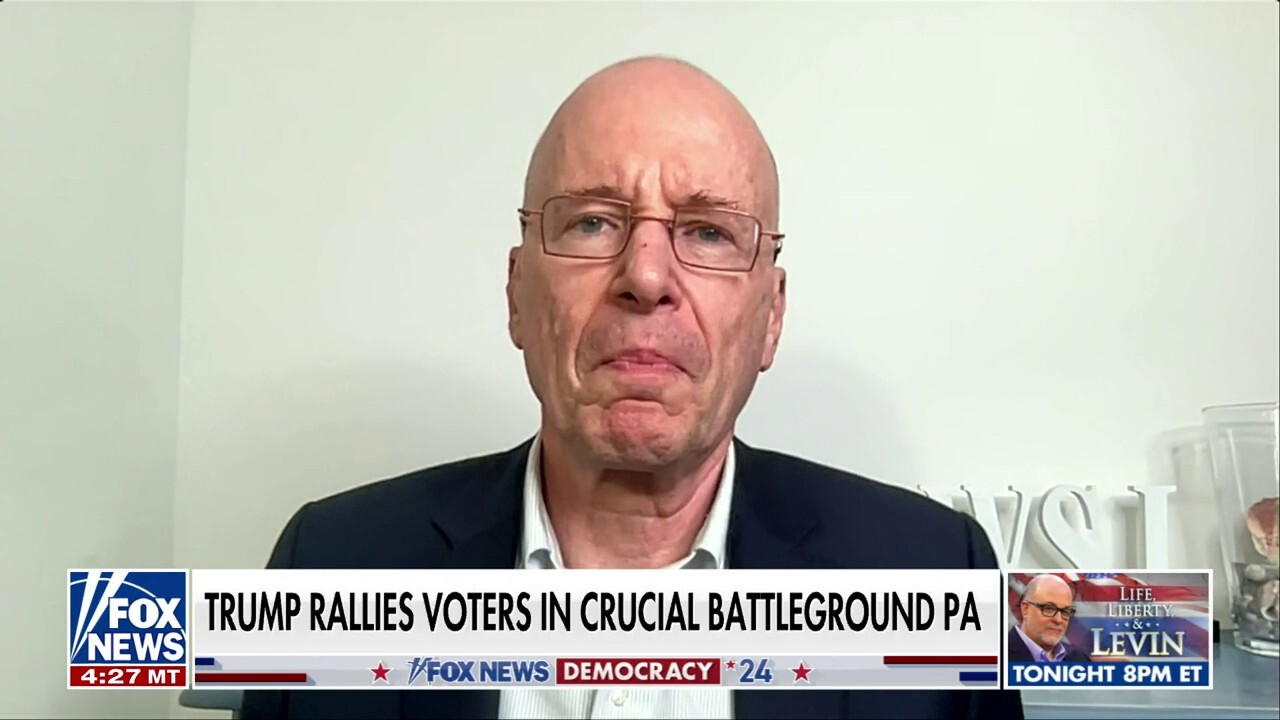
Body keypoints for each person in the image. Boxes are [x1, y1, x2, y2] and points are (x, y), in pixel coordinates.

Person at [240, 56, 1024, 720]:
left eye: (709, 232)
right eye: (592, 222)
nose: (646, 277)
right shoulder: (329, 568)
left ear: (772, 316)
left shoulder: (935, 576)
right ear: (517, 294)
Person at [1007, 574, 1092, 662]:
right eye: (1049, 609)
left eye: (1065, 611)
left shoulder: (1080, 659)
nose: (1058, 620)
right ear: (1026, 609)